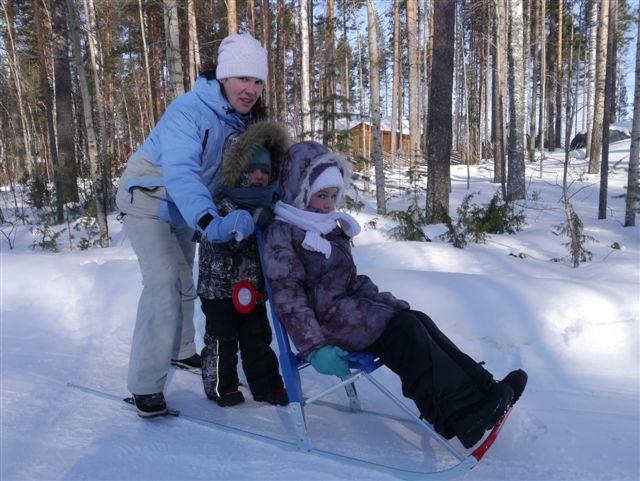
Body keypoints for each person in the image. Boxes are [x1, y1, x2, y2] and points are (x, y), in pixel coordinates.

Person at [262, 141, 528, 449]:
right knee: (406, 334)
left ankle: (485, 391)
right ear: (300, 191)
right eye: (321, 195)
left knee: (416, 320)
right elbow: (288, 298)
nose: (328, 204)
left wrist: (387, 303)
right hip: (325, 325)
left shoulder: (325, 227)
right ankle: (460, 414)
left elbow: (350, 281)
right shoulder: (283, 233)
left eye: (333, 196)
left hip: (349, 314)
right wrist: (315, 348)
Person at [115, 32, 268, 418]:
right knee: (164, 283)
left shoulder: (243, 120)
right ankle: (145, 386)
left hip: (185, 208)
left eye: (257, 81)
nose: (250, 89)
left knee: (186, 283)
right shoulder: (188, 111)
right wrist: (208, 220)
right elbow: (181, 172)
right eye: (242, 79)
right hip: (149, 199)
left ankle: (182, 351)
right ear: (222, 76)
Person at [197, 121, 289, 407]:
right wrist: (242, 227)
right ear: (238, 173)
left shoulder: (269, 206)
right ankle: (220, 387)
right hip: (219, 289)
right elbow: (216, 239)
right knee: (222, 340)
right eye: (251, 171)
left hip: (253, 290)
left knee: (258, 338)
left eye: (264, 171)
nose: (259, 177)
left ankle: (267, 387)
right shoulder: (219, 204)